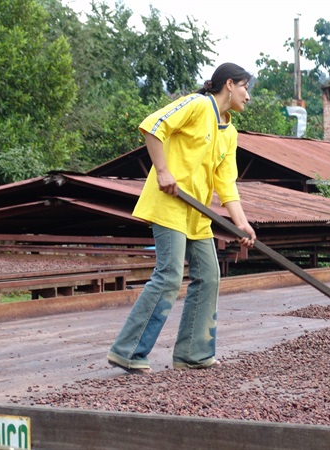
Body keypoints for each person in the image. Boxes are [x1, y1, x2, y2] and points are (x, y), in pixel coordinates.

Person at [107, 63, 257, 373]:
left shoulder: (229, 132)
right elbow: (152, 126)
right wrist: (162, 171)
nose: (248, 96)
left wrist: (240, 222)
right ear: (229, 84)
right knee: (170, 275)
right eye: (246, 88)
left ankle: (193, 353)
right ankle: (129, 350)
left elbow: (225, 182)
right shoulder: (198, 104)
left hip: (197, 213)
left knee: (209, 277)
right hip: (170, 203)